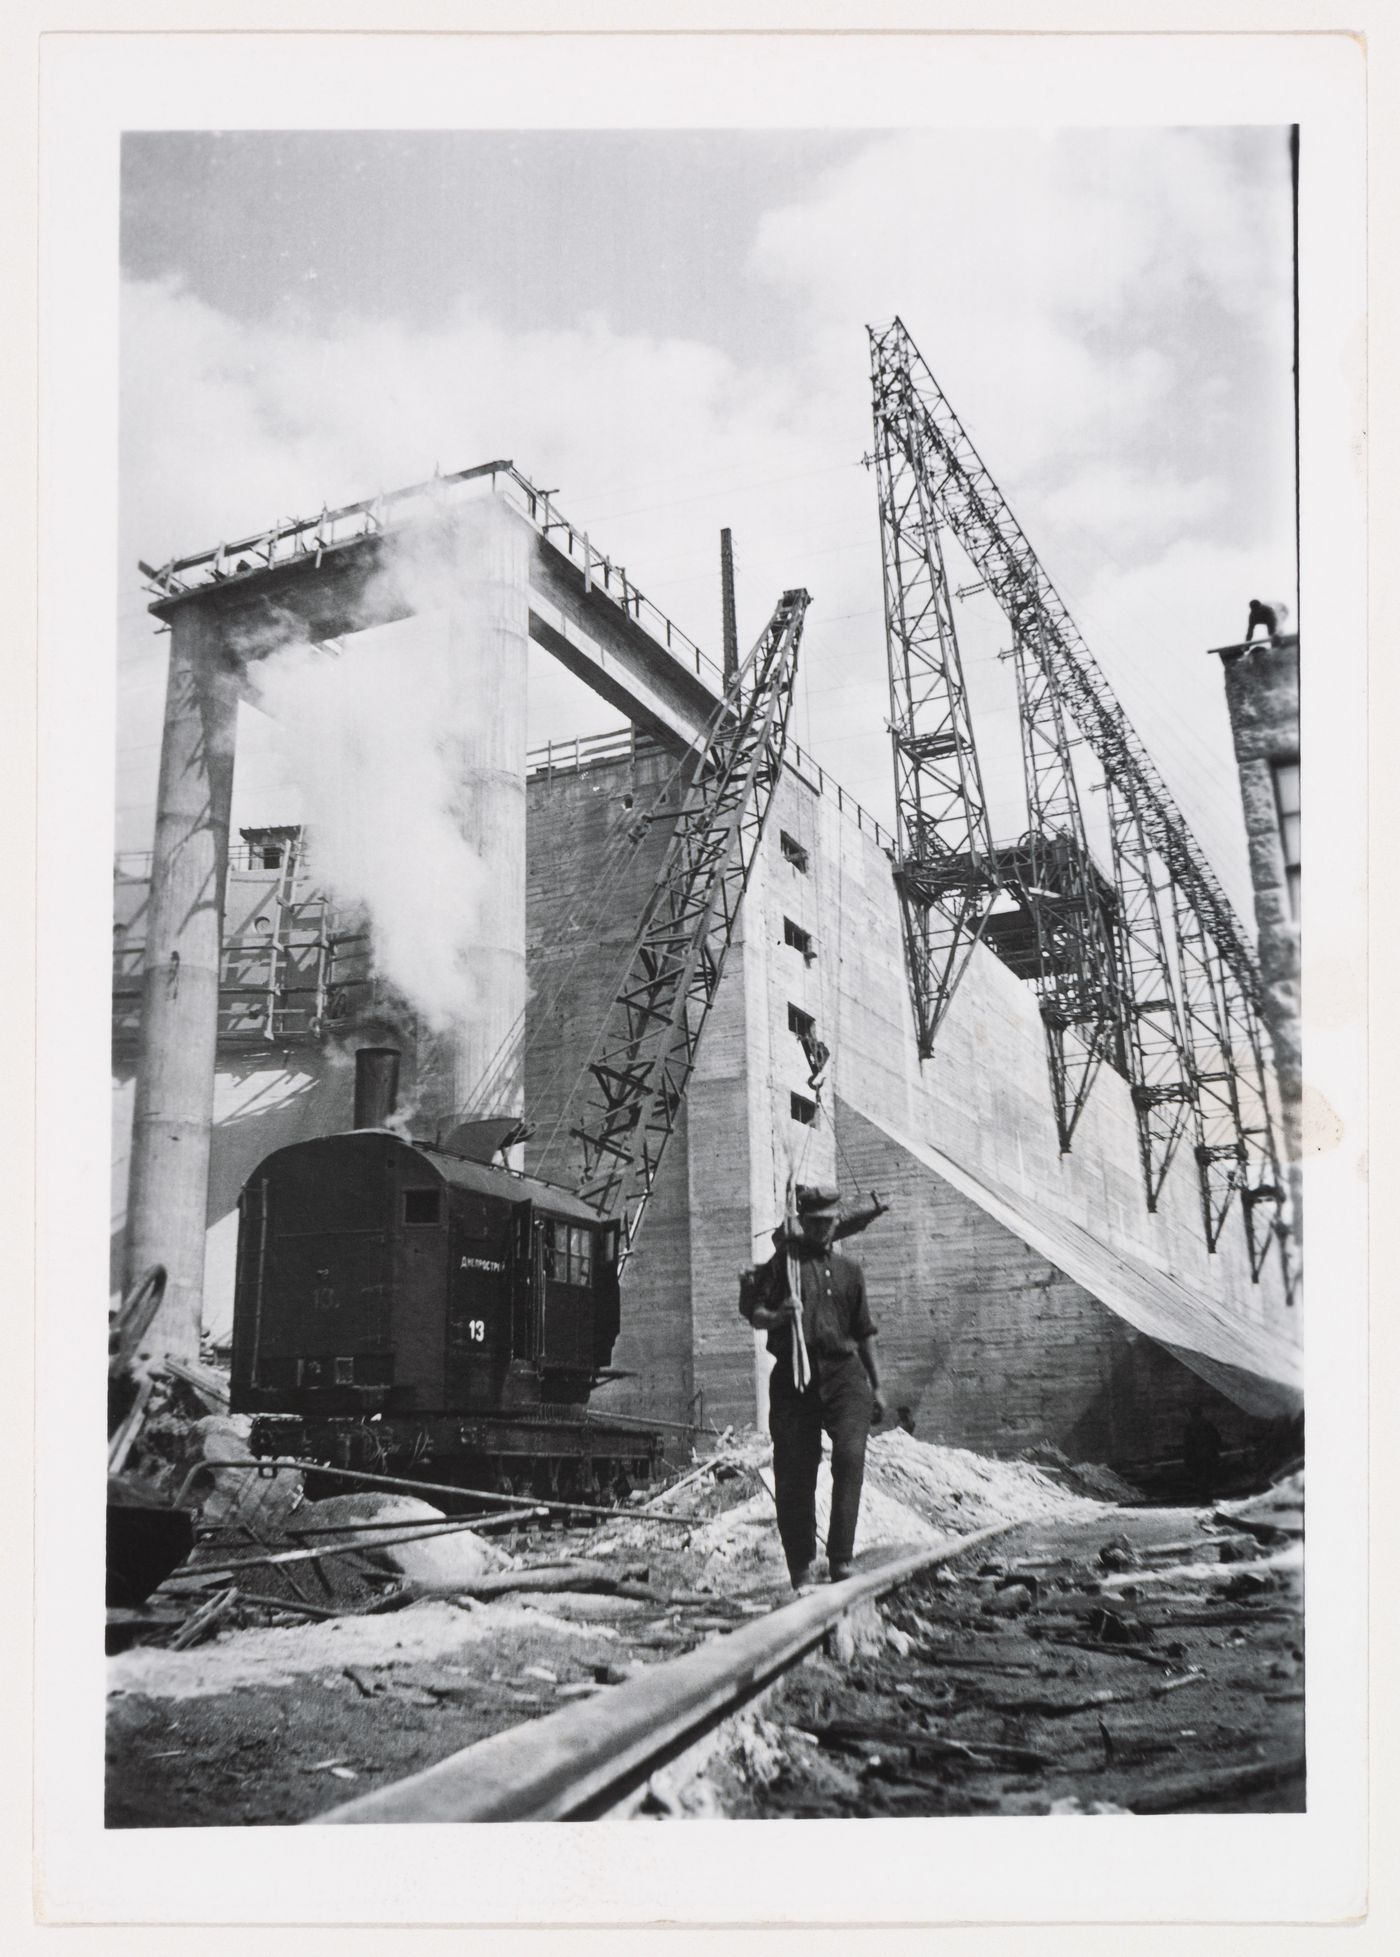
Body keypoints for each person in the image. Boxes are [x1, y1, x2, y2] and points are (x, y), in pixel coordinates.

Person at [740, 1184, 886, 1589]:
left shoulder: (850, 1273)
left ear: (837, 1223)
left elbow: (865, 1331)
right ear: (802, 1223)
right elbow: (755, 1315)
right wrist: (779, 1314)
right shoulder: (783, 1266)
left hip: (845, 1378)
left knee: (850, 1458)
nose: (823, 1229)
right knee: (795, 1472)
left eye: (829, 1222)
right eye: (815, 1223)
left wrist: (877, 1387)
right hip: (794, 1378)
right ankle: (801, 1568)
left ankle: (841, 1559)